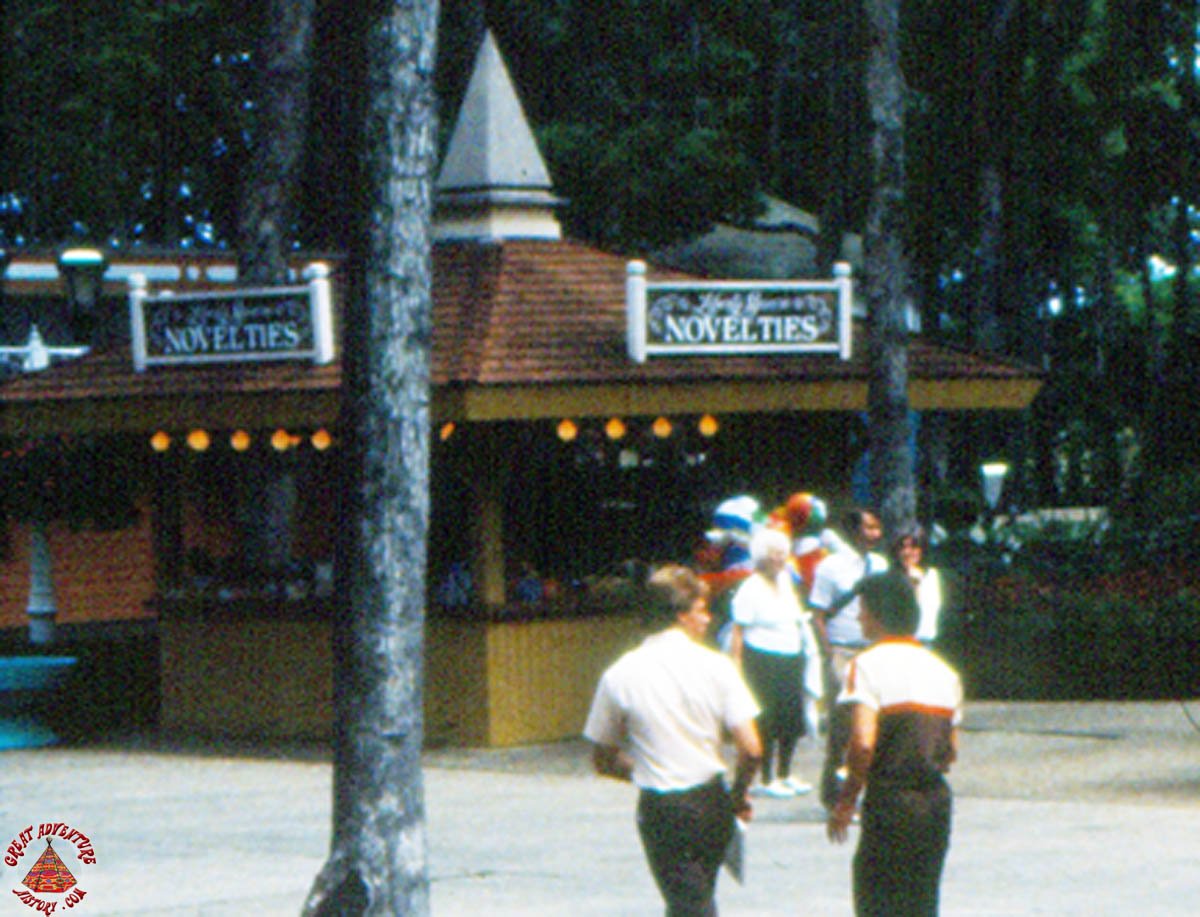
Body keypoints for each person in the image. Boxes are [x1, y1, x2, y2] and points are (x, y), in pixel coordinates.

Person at [584, 564, 763, 916]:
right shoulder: (718, 667)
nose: (708, 619)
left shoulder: (621, 673)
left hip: (664, 807)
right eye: (701, 610)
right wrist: (739, 794)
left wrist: (641, 769)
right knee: (696, 898)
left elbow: (603, 756)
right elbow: (752, 748)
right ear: (680, 615)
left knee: (686, 902)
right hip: (712, 799)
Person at [826, 571, 963, 916]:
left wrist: (846, 801)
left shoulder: (866, 666)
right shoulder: (944, 672)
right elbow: (950, 753)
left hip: (890, 801)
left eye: (862, 609)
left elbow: (863, 744)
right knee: (921, 901)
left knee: (878, 900)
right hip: (934, 805)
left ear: (878, 614)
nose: (858, 616)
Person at [807, 508, 889, 810]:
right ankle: (835, 794)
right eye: (869, 527)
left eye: (876, 528)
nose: (875, 534)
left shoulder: (879, 565)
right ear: (854, 531)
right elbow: (817, 613)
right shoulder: (830, 567)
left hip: (872, 650)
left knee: (871, 725)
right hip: (843, 650)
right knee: (843, 726)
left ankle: (864, 789)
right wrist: (830, 654)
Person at [727, 526, 813, 797]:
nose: (779, 558)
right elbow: (738, 632)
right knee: (767, 719)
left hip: (791, 655)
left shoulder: (787, 581)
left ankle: (785, 773)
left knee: (790, 717)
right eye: (774, 553)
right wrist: (736, 668)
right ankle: (765, 778)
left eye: (782, 553)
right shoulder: (749, 588)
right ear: (761, 556)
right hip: (762, 660)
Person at [889, 526, 944, 647]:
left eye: (914, 547)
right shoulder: (891, 577)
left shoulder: (933, 575)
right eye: (902, 547)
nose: (907, 552)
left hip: (927, 644)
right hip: (900, 644)